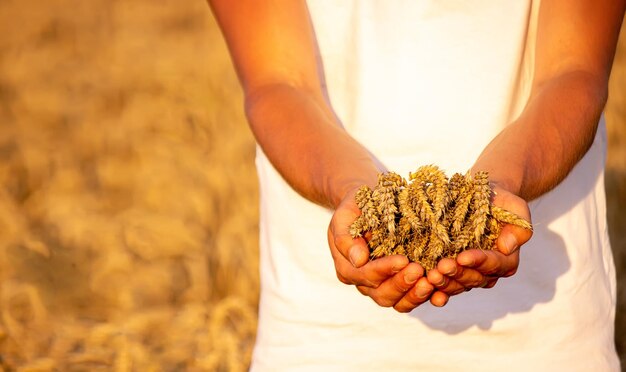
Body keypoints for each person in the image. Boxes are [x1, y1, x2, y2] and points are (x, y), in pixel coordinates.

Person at [209, 0, 625, 370]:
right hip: (323, 335)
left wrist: (496, 187)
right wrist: (353, 190)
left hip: (547, 335)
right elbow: (277, 83)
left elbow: (575, 71)